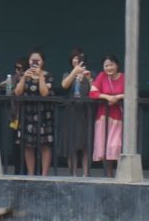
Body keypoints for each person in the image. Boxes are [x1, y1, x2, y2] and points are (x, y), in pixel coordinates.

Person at [14, 48, 57, 176]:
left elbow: (44, 93)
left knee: (45, 145)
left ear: (42, 62)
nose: (35, 62)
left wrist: (40, 77)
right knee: (28, 145)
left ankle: (44, 174)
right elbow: (17, 92)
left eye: (37, 60)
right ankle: (31, 173)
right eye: (32, 60)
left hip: (43, 114)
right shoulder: (25, 74)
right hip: (27, 113)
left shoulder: (48, 76)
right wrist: (23, 78)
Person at [90, 53, 126, 177]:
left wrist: (118, 97)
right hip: (103, 117)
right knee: (104, 147)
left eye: (111, 65)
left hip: (118, 118)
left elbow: (131, 92)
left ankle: (121, 175)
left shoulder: (124, 77)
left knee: (116, 145)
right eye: (106, 65)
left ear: (117, 65)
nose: (108, 68)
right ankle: (109, 175)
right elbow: (93, 93)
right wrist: (107, 97)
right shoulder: (101, 76)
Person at [58, 48, 92, 177]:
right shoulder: (67, 74)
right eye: (74, 58)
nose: (77, 60)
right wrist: (74, 73)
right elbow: (64, 85)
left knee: (85, 145)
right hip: (71, 113)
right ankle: (73, 175)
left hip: (85, 113)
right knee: (71, 144)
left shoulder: (90, 73)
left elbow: (94, 90)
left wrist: (88, 78)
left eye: (79, 58)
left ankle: (85, 174)